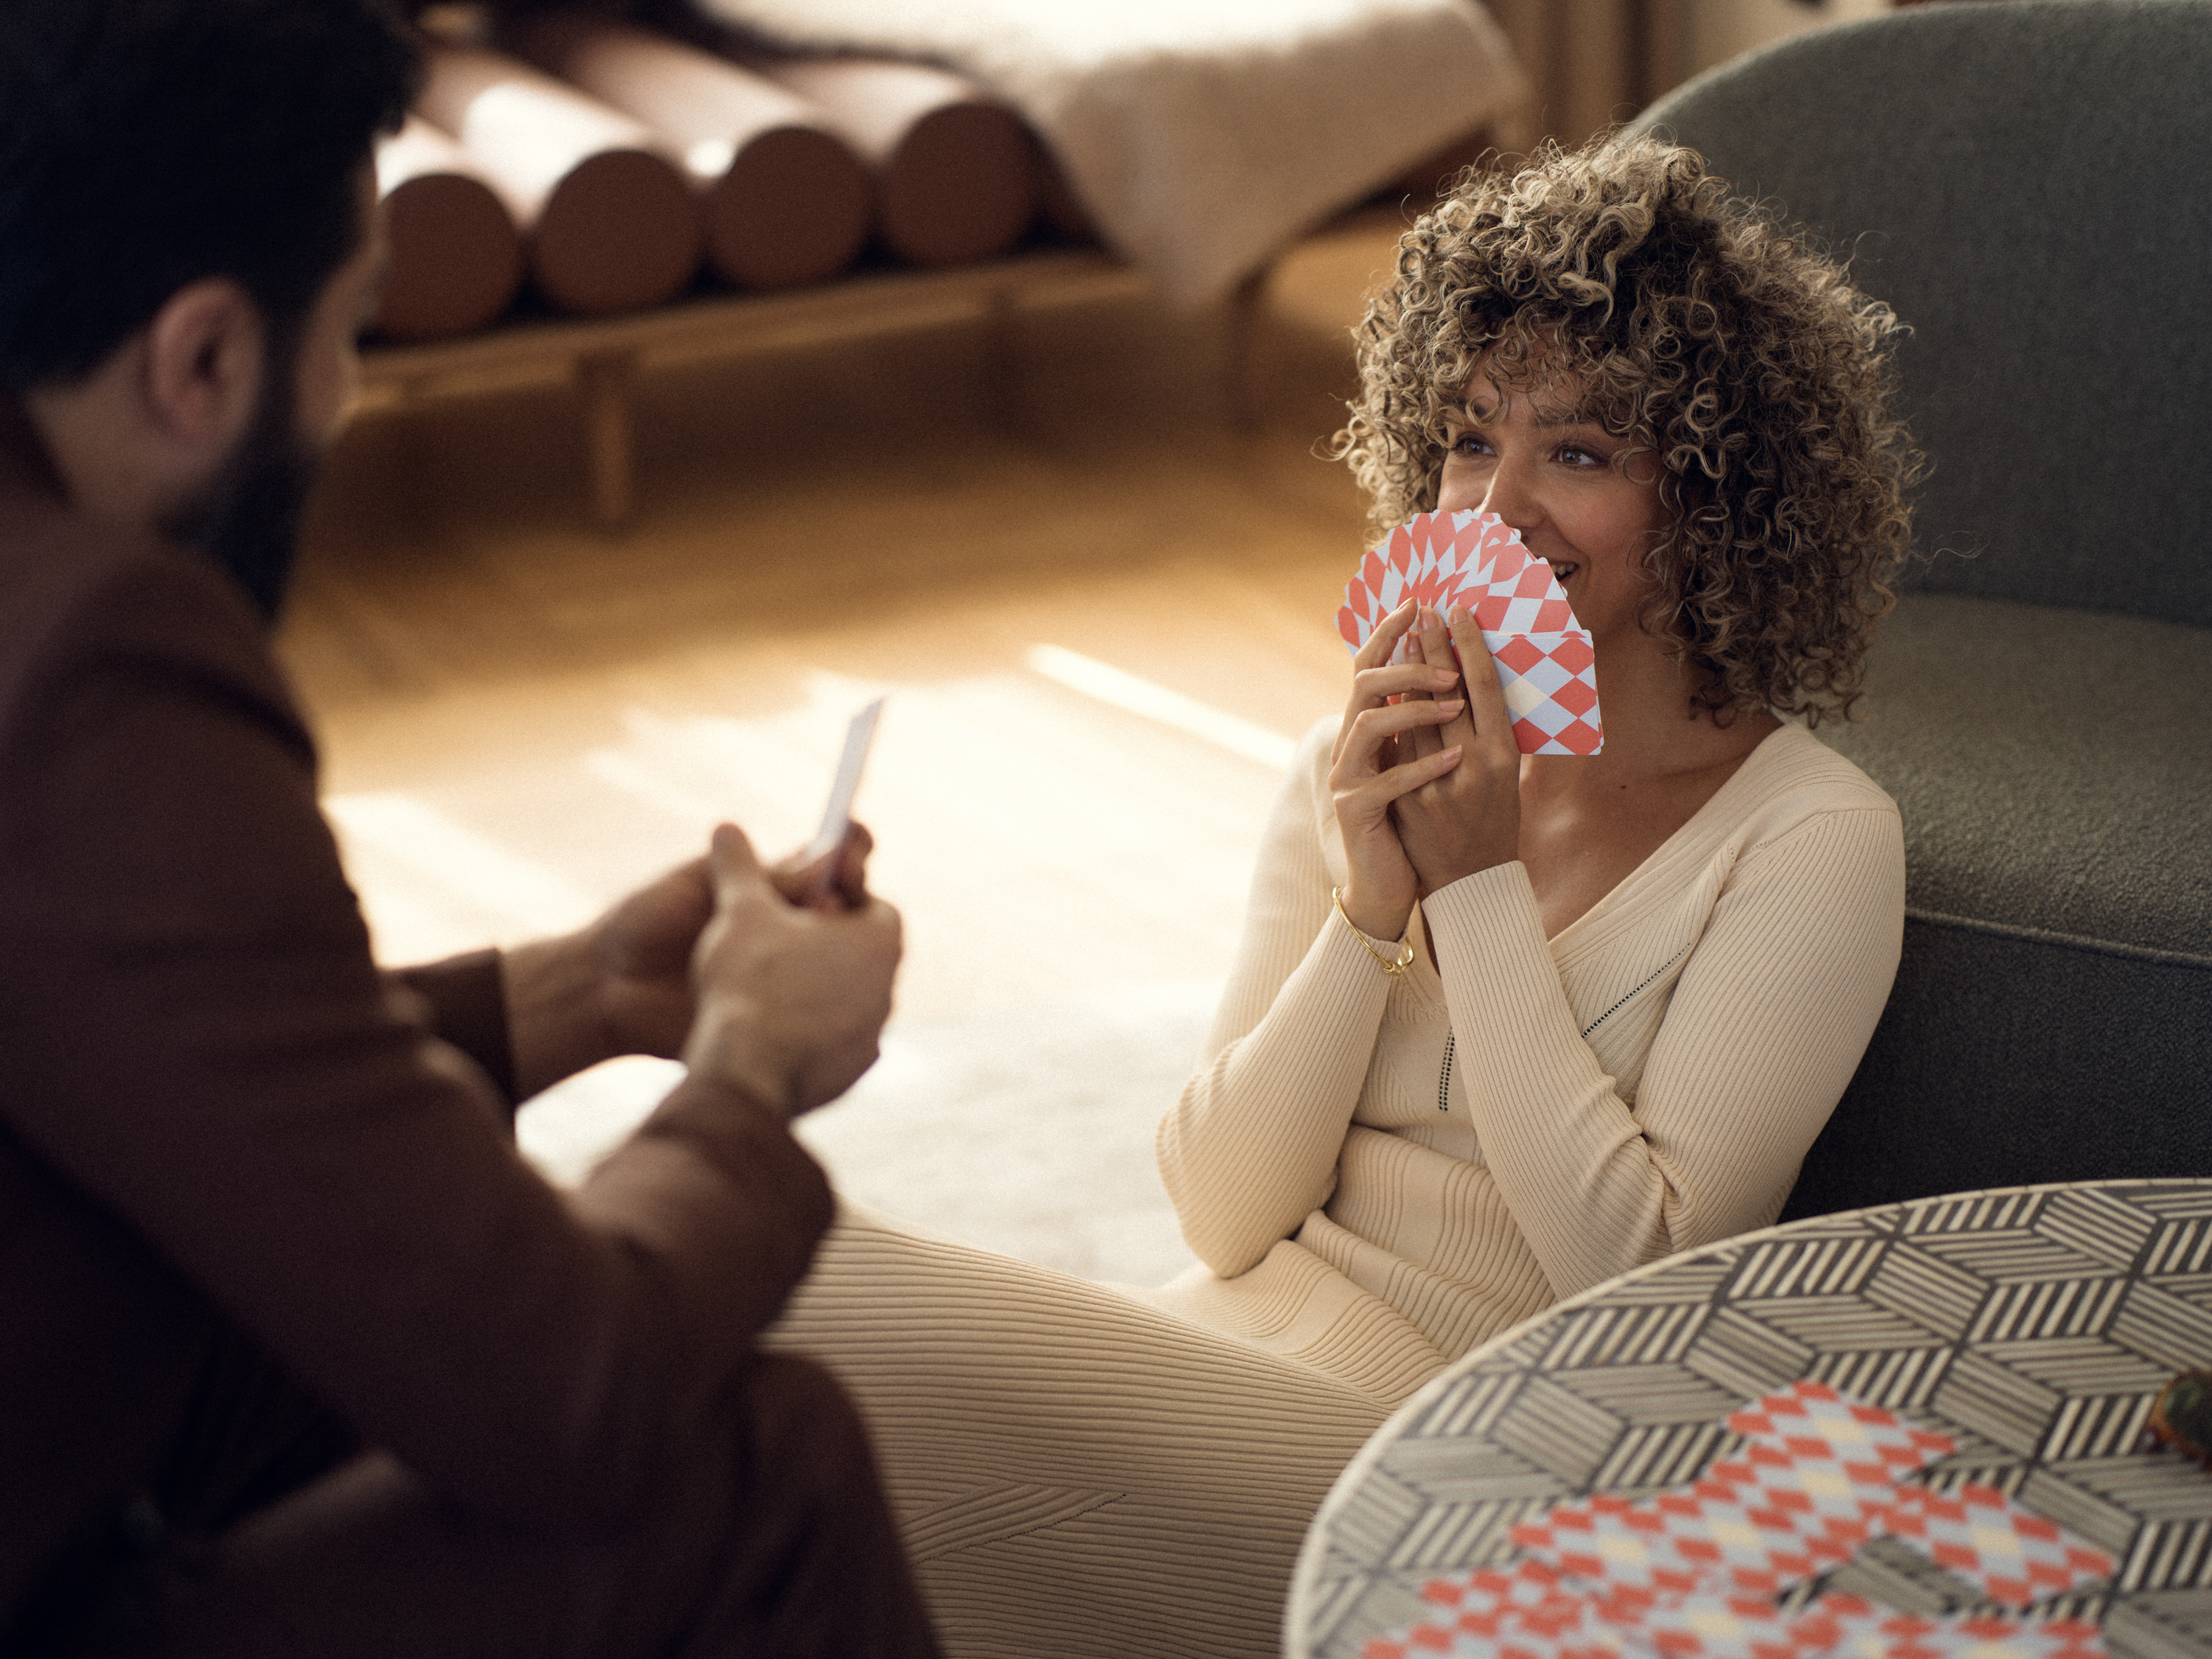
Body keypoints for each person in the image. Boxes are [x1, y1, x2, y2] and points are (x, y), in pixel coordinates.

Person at [765, 136, 1913, 1659]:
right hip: (1206, 1362)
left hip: (1448, 1467)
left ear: (1710, 497)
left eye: (1577, 452)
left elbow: (1634, 1284)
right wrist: (1369, 913)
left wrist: (1482, 893)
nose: (1496, 508)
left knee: (789, 1268)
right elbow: (1223, 1209)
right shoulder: (1348, 763)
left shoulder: (1812, 839)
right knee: (794, 1513)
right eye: (1464, 441)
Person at [0, 2, 937, 1655]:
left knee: (332, 1316)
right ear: (204, 358)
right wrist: (751, 1075)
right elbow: (575, 1408)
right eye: (348, 334)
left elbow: (135, 1041)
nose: (346, 399)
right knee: (750, 1473)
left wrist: (574, 992)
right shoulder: (87, 665)